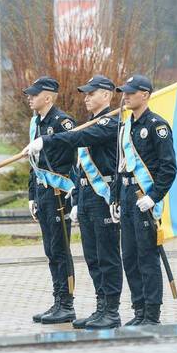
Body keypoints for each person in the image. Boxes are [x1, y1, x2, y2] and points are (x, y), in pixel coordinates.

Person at [27, 75, 123, 329]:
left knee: (107, 256)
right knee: (92, 256)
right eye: (85, 93)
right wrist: (79, 199)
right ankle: (100, 306)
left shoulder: (109, 123)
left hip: (104, 195)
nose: (86, 97)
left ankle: (110, 310)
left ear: (107, 95)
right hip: (87, 194)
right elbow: (80, 165)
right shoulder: (92, 122)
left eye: (92, 93)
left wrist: (46, 140)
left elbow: (75, 141)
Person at [113, 75, 176, 325]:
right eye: (124, 92)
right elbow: (121, 165)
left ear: (145, 95)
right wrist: (116, 198)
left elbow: (168, 168)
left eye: (130, 92)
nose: (125, 96)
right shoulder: (126, 126)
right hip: (127, 197)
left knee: (147, 257)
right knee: (129, 256)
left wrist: (153, 197)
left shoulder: (156, 126)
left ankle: (151, 314)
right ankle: (138, 310)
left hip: (144, 198)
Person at [23, 77, 78, 325]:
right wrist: (31, 195)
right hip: (43, 193)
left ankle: (66, 304)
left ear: (48, 97)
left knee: (60, 248)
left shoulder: (62, 122)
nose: (29, 98)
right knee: (50, 250)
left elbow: (72, 160)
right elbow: (33, 164)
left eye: (34, 94)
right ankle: (57, 300)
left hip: (59, 194)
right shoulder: (36, 123)